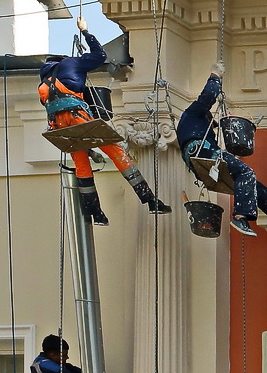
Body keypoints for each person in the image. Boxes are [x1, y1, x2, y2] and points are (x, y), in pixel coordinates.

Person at [39, 17, 170, 225]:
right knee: (115, 150)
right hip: (77, 117)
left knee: (82, 164)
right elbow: (99, 56)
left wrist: (92, 150)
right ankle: (149, 199)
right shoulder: (70, 63)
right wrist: (85, 31)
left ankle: (96, 214)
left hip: (60, 127)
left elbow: (56, 107)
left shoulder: (45, 82)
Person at [177, 61, 267, 236]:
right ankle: (240, 216)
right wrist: (215, 76)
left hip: (202, 159)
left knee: (252, 186)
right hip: (202, 153)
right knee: (246, 172)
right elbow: (208, 96)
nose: (213, 127)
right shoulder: (193, 113)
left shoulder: (196, 128)